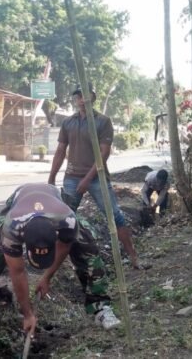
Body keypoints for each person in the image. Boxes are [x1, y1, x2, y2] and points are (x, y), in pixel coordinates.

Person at [0, 183, 122, 334]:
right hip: (20, 199)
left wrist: (47, 277)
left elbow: (64, 246)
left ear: (56, 234)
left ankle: (100, 307)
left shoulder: (67, 221)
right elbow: (17, 271)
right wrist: (27, 314)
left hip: (54, 199)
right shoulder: (13, 228)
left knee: (87, 244)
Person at [48, 85, 142, 270]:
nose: (82, 99)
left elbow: (104, 153)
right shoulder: (68, 122)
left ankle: (133, 256)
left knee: (115, 216)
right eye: (79, 96)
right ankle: (58, 262)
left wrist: (87, 179)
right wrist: (51, 178)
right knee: (64, 218)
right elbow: (60, 151)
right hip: (71, 177)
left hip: (97, 177)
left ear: (93, 97)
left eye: (86, 95)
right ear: (75, 100)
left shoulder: (103, 121)